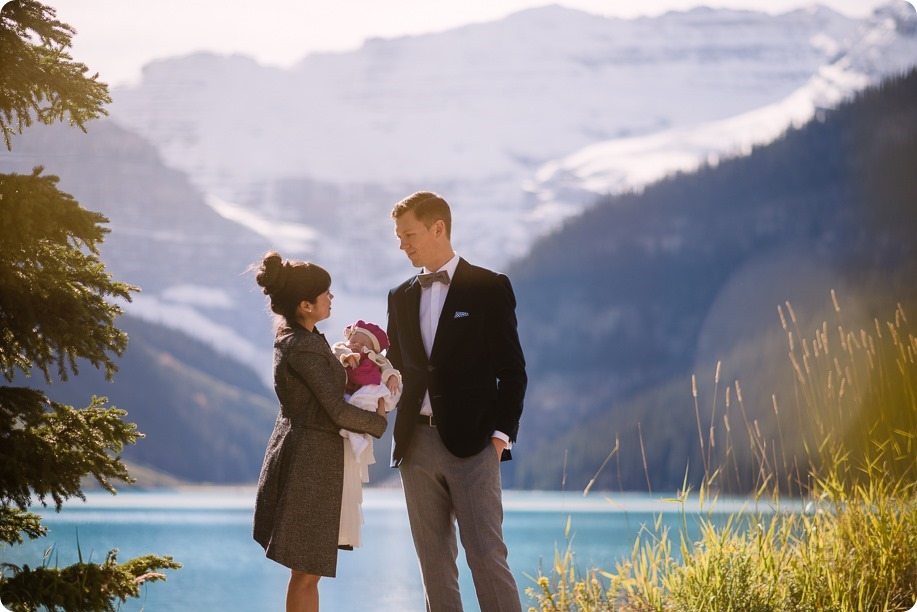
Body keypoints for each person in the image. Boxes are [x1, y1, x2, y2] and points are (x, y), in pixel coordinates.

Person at [386, 191, 528, 611]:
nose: (402, 244)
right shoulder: (399, 295)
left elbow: (513, 370)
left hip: (475, 447)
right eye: (398, 236)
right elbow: (396, 368)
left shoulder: (489, 286)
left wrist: (500, 438)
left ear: (438, 228)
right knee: (433, 567)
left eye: (408, 234)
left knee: (486, 558)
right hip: (415, 447)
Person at [251, 252, 388, 612]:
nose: (331, 298)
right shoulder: (304, 347)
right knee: (307, 571)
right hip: (309, 466)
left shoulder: (301, 339)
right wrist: (379, 422)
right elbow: (336, 410)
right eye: (325, 293)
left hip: (308, 458)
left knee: (308, 571)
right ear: (305, 305)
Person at [330, 320, 401, 549]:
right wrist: (346, 356)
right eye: (356, 341)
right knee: (353, 406)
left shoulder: (374, 357)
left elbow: (388, 367)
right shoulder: (343, 348)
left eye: (364, 344)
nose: (358, 346)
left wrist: (391, 377)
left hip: (367, 394)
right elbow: (337, 350)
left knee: (376, 396)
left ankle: (359, 433)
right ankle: (355, 432)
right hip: (348, 395)